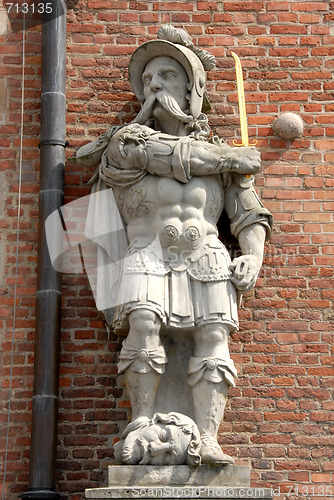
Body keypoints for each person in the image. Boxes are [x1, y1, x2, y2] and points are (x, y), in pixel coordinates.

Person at [76, 25, 272, 465]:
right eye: (147, 80)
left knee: (214, 335)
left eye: (166, 76)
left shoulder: (221, 151)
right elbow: (170, 158)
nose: (155, 86)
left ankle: (208, 438)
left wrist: (253, 254)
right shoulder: (125, 144)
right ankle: (142, 424)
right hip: (147, 251)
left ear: (191, 88)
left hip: (206, 254)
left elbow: (248, 214)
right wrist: (230, 159)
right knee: (143, 323)